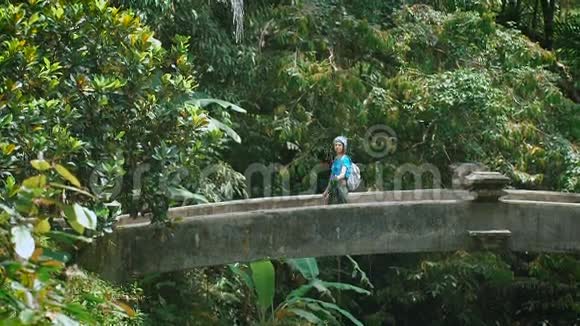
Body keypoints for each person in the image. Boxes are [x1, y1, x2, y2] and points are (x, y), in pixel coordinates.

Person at [323, 136, 352, 204]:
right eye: (336, 145)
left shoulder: (345, 159)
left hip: (341, 187)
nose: (337, 147)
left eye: (339, 145)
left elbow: (343, 174)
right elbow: (332, 176)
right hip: (334, 187)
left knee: (342, 206)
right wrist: (327, 190)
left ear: (343, 146)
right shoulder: (336, 159)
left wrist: (336, 178)